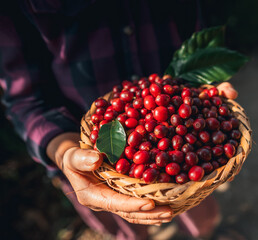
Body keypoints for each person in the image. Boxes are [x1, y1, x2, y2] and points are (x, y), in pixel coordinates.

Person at [0, 0, 238, 239]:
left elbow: (191, 17)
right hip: (91, 159)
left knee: (202, 217)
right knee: (126, 230)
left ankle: (209, 233)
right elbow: (27, 99)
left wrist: (200, 79)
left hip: (176, 113)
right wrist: (63, 151)